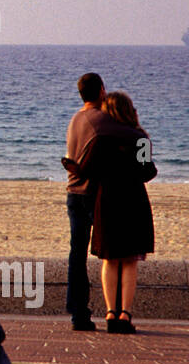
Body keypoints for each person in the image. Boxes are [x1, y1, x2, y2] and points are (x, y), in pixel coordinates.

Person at [63, 91, 156, 334]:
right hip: (134, 200)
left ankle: (109, 313)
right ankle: (124, 314)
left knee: (110, 259)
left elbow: (86, 170)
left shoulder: (100, 140)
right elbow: (147, 172)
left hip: (107, 200)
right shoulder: (141, 138)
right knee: (130, 261)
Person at [63, 72, 113, 331]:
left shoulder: (75, 119)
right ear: (102, 90)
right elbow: (133, 138)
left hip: (74, 192)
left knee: (77, 253)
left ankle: (78, 312)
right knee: (113, 251)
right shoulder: (103, 120)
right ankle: (116, 311)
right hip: (95, 193)